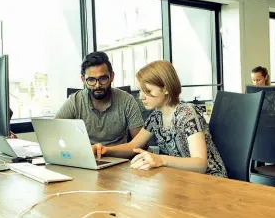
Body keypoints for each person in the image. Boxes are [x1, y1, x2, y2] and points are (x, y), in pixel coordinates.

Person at [92, 60, 227, 177]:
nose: (141, 97)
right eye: (140, 91)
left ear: (166, 89)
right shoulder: (156, 117)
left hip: (210, 180)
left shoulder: (187, 114)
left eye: (148, 91)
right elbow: (133, 146)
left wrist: (161, 160)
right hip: (182, 180)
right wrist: (105, 150)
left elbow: (200, 164)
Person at [55, 51, 144, 146]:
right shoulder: (75, 101)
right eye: (91, 80)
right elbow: (54, 131)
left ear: (112, 77)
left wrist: (106, 151)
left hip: (119, 158)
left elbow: (141, 145)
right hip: (86, 157)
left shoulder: (127, 100)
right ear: (83, 79)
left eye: (103, 79)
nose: (98, 85)